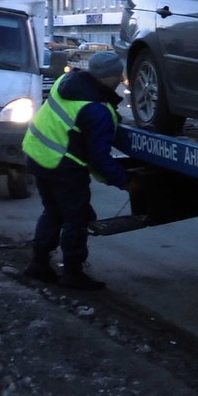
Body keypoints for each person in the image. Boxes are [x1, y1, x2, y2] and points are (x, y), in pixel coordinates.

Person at [21, 51, 138, 290]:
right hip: (63, 166)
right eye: (117, 74)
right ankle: (73, 274)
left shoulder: (67, 83)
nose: (120, 78)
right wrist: (125, 181)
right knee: (77, 218)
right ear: (107, 76)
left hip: (37, 155)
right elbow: (100, 158)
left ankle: (39, 264)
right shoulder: (96, 110)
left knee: (52, 212)